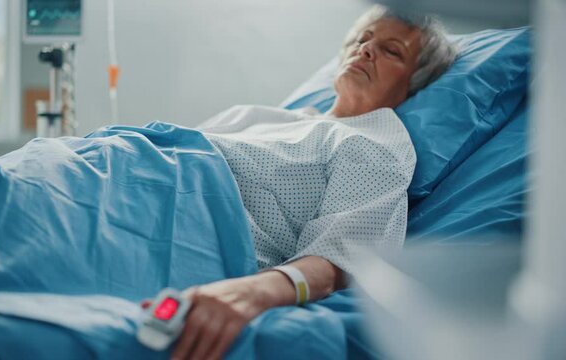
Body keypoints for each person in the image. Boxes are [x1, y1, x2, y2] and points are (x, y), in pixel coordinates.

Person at [166, 5, 456, 360]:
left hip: (175, 217)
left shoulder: (375, 141)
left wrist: (253, 293)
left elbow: (339, 259)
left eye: (391, 50)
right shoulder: (257, 116)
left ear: (414, 84)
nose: (365, 50)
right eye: (363, 39)